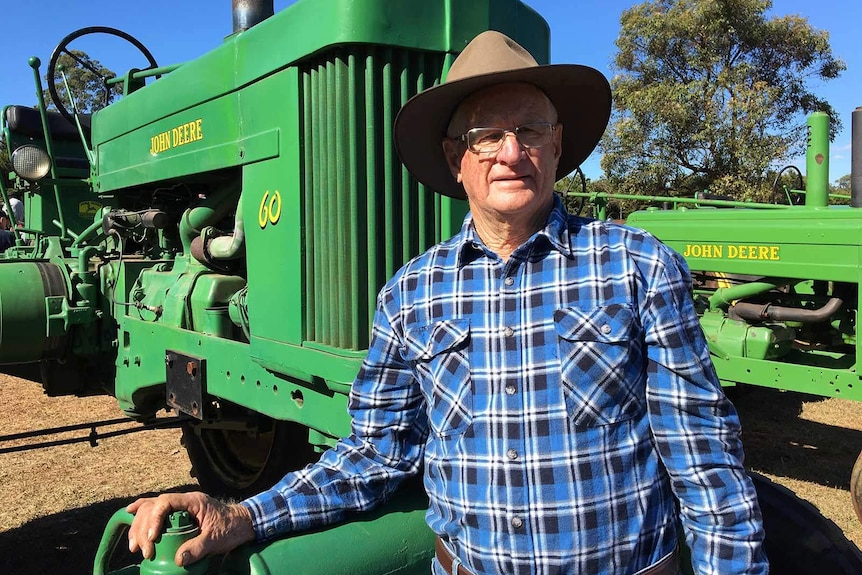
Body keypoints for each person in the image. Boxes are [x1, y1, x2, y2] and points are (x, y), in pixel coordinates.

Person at [127, 31, 768, 575]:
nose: (511, 153)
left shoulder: (637, 264)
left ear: (558, 146)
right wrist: (242, 513)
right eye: (487, 136)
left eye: (530, 130)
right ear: (456, 159)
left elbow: (703, 455)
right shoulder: (412, 292)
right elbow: (376, 453)